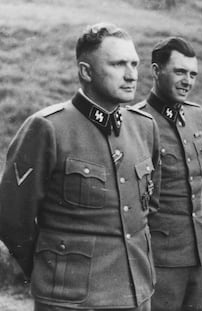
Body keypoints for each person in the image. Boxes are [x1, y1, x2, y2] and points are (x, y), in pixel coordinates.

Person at [0, 23, 160, 311]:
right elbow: (11, 218)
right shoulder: (48, 128)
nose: (131, 74)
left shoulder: (144, 127)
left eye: (135, 63)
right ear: (86, 71)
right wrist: (51, 271)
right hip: (70, 299)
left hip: (137, 293)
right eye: (118, 64)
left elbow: (149, 207)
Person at [135, 37, 202, 311]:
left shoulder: (196, 116)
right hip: (160, 258)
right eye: (180, 72)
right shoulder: (135, 122)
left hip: (200, 253)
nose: (188, 81)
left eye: (193, 74)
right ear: (156, 70)